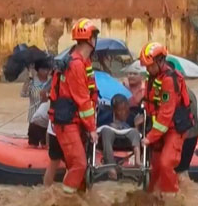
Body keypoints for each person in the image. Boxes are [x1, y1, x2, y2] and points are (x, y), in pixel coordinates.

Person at [48, 18, 99, 194]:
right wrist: (92, 128)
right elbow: (83, 100)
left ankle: (77, 202)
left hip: (74, 121)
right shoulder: (76, 64)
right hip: (68, 122)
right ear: (91, 40)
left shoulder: (81, 62)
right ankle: (65, 201)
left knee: (77, 167)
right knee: (79, 164)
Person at [140, 42, 194, 195]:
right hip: (159, 129)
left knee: (165, 164)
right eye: (146, 66)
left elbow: (166, 114)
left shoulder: (169, 80)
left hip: (173, 129)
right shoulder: (151, 77)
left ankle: (172, 201)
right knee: (155, 169)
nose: (148, 69)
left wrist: (149, 138)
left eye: (150, 65)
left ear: (160, 61)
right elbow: (150, 105)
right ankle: (151, 197)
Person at [98, 94, 142, 180]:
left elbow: (139, 135)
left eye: (126, 109)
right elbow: (98, 129)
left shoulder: (132, 117)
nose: (124, 112)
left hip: (126, 140)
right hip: (110, 138)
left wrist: (137, 126)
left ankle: (137, 161)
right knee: (106, 131)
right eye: (120, 110)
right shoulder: (105, 117)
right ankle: (110, 167)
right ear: (114, 110)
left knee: (135, 132)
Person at [21, 61, 52, 147]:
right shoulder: (32, 82)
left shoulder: (51, 82)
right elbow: (23, 94)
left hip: (47, 117)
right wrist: (26, 82)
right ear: (38, 70)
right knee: (33, 143)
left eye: (47, 69)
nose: (46, 71)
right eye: (43, 69)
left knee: (45, 143)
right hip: (34, 116)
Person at [175, 88, 198, 177]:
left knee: (180, 170)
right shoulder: (188, 92)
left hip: (185, 136)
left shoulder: (181, 94)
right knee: (183, 170)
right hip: (192, 134)